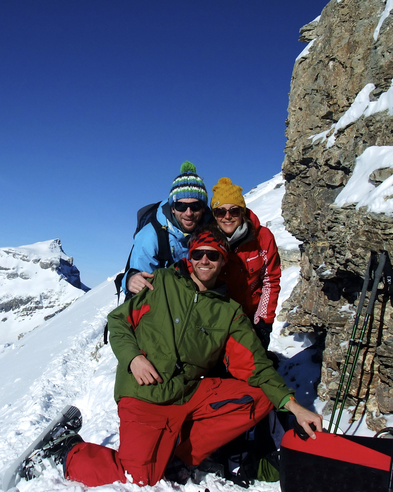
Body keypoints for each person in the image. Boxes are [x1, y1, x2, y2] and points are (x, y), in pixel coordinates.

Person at [39, 227, 322, 488]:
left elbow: (256, 366)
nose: (205, 260)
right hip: (144, 393)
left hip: (186, 393)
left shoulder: (229, 312)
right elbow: (118, 321)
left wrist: (293, 407)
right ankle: (66, 451)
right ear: (190, 257)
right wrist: (134, 358)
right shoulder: (160, 283)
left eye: (213, 255)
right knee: (138, 477)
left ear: (223, 261)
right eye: (198, 253)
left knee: (258, 396)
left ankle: (180, 456)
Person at [122, 161, 212, 297]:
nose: (188, 213)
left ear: (203, 208)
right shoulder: (151, 236)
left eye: (195, 206)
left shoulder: (212, 230)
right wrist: (132, 279)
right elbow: (141, 284)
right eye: (181, 206)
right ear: (173, 208)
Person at [210, 177, 281, 349]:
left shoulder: (262, 238)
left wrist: (263, 323)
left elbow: (270, 280)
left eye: (234, 211)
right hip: (217, 319)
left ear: (242, 211)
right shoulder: (208, 240)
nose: (227, 216)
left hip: (251, 317)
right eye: (221, 211)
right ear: (214, 215)